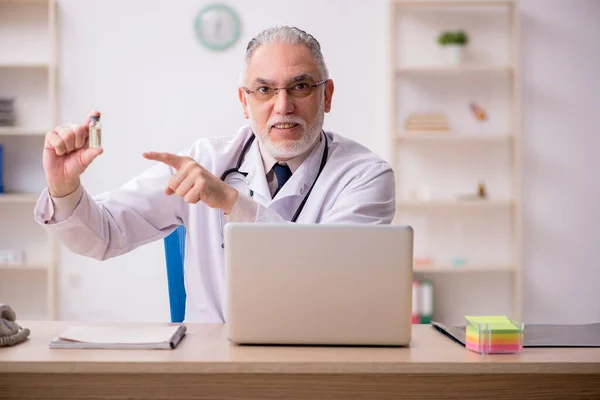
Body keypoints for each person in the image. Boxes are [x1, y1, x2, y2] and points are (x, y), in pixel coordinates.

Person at [34, 26, 396, 322]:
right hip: (209, 366)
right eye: (265, 90)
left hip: (316, 367)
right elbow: (104, 235)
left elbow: (333, 280)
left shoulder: (365, 176)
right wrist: (64, 187)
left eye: (300, 87)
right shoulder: (205, 160)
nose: (282, 106)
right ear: (244, 101)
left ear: (327, 95)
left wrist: (229, 201)